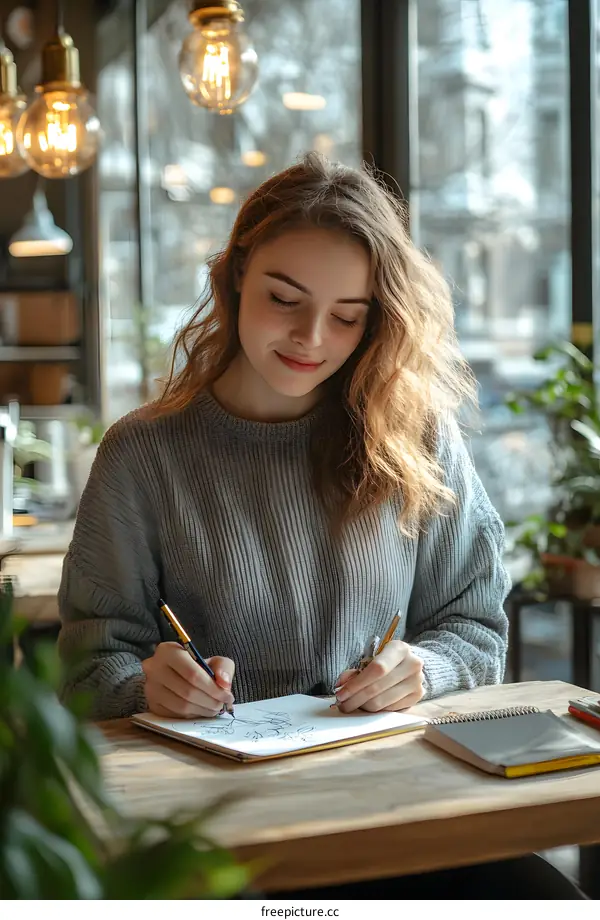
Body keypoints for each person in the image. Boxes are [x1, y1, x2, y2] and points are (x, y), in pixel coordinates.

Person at [57, 153, 585, 899]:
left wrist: (422, 670)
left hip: (394, 804)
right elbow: (85, 666)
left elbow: (473, 627)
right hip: (223, 831)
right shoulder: (143, 453)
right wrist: (145, 684)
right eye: (284, 298)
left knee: (548, 898)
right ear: (237, 274)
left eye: (347, 316)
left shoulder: (415, 435)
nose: (312, 338)